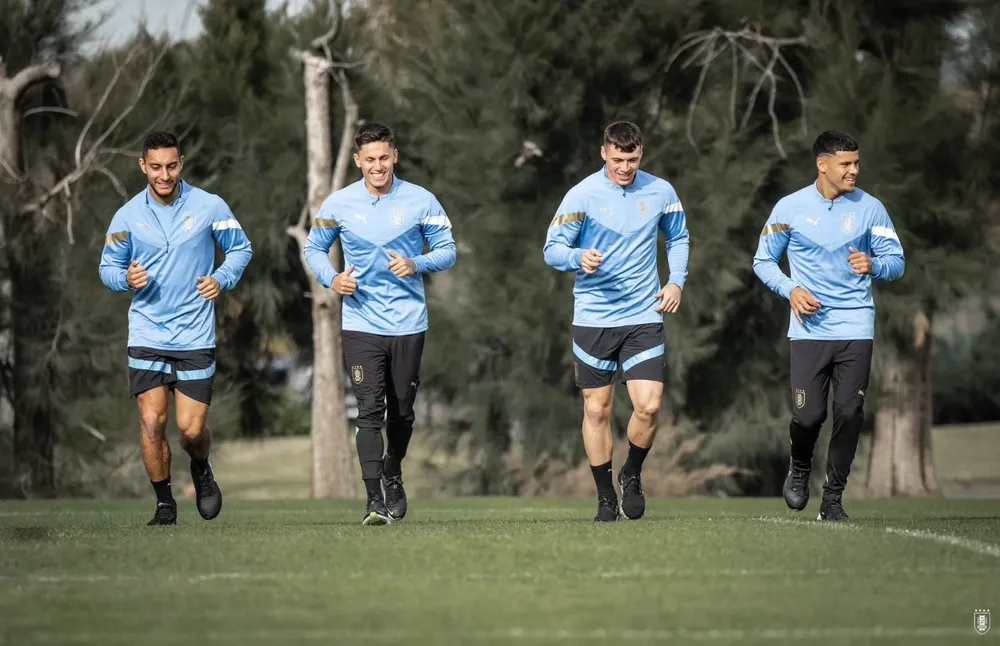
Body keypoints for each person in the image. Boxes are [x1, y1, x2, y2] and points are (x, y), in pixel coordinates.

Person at [303, 122, 457, 526]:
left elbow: (447, 250)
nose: (377, 166)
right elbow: (314, 248)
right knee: (369, 410)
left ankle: (393, 470)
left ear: (395, 156)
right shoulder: (338, 204)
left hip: (408, 323)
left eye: (383, 158)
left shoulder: (422, 200)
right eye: (369, 160)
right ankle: (373, 500)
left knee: (402, 414)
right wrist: (333, 278)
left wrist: (416, 262)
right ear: (358, 161)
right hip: (360, 323)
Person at [99, 130, 253, 526]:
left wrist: (222, 278)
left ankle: (201, 467)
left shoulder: (209, 206)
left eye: (170, 166)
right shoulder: (127, 216)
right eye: (155, 167)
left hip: (194, 334)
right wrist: (125, 279)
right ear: (142, 166)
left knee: (190, 429)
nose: (163, 175)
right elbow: (107, 268)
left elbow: (241, 248)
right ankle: (165, 503)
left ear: (180, 164)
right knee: (152, 422)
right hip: (147, 332)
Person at [753, 130, 904, 522]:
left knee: (850, 413)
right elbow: (763, 261)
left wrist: (874, 264)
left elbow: (896, 261)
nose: (854, 170)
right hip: (809, 331)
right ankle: (799, 467)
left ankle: (833, 499)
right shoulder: (789, 208)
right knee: (808, 417)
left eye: (856, 163)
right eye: (846, 164)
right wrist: (791, 290)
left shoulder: (871, 209)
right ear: (823, 165)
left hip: (856, 326)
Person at [542, 121, 690, 522]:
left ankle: (633, 473)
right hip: (594, 318)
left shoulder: (661, 191)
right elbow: (552, 249)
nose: (626, 167)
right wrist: (578, 257)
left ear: (641, 154)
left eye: (633, 159)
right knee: (598, 410)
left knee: (649, 405)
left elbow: (678, 237)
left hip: (644, 314)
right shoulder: (582, 195)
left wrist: (676, 281)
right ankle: (606, 497)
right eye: (619, 159)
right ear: (604, 152)